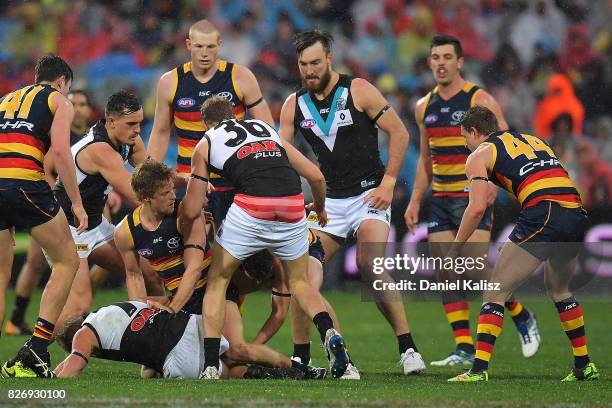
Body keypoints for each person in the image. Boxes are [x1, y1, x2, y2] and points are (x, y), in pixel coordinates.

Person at [278, 30, 425, 375]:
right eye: (303, 64)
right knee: (302, 275)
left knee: (369, 264)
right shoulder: (293, 105)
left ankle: (408, 349)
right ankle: (316, 357)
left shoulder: (357, 90)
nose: (310, 70)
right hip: (328, 204)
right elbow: (280, 154)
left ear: (329, 59)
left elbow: (400, 132)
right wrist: (296, 198)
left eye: (315, 62)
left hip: (369, 195)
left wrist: (389, 182)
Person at [183, 96, 351, 380]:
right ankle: (329, 331)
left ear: (205, 123)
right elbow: (316, 177)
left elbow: (190, 209)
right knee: (299, 282)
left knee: (218, 280)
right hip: (292, 204)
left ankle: (211, 365)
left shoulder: (206, 142)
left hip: (252, 207)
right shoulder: (265, 128)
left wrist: (189, 196)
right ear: (236, 115)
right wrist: (320, 209)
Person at [403, 34, 540, 366]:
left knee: (475, 270)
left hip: (472, 194)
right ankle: (463, 347)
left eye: (447, 56)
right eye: (435, 57)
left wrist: (495, 182)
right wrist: (415, 198)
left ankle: (521, 315)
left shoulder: (479, 99)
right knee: (445, 271)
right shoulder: (424, 107)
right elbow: (425, 159)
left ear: (460, 62)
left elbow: (505, 142)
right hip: (440, 197)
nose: (440, 63)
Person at [115, 160, 313, 375]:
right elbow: (134, 275)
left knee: (237, 351)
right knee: (151, 372)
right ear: (145, 198)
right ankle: (271, 374)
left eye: (172, 188)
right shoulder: (125, 232)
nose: (173, 195)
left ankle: (301, 369)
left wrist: (172, 310)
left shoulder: (185, 214)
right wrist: (138, 312)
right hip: (180, 297)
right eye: (165, 193)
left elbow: (194, 268)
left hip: (214, 291)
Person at [448, 105, 599, 382]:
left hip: (544, 211)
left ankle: (478, 371)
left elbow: (476, 207)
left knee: (495, 291)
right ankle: (584, 365)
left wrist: (456, 247)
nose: (465, 145)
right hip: (575, 212)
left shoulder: (479, 155)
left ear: (474, 131)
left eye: (464, 138)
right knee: (559, 289)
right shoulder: (533, 139)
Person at [0, 55, 88, 378]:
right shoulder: (58, 101)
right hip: (23, 183)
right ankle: (35, 351)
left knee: (0, 276)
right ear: (63, 82)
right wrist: (76, 204)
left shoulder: (6, 99)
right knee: (68, 261)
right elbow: (62, 153)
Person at [49, 90, 165, 333]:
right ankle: (30, 354)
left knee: (152, 275)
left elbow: (155, 174)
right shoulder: (99, 149)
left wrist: (187, 181)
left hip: (93, 224)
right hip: (67, 229)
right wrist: (177, 212)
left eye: (140, 123)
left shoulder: (129, 139)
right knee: (78, 308)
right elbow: (136, 195)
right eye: (131, 124)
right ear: (111, 122)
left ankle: (157, 338)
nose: (137, 130)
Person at [146, 19, 273, 224]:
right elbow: (160, 132)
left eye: (210, 46)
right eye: (198, 46)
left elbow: (267, 130)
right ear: (188, 45)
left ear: (219, 45)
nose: (204, 53)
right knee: (195, 248)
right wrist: (151, 177)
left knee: (247, 253)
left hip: (236, 182)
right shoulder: (170, 82)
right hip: (192, 183)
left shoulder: (240, 77)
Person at [4, 89, 93, 337]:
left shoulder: (88, 136)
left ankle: (76, 314)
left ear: (87, 109)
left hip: (65, 207)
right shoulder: (56, 127)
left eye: (82, 103)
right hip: (44, 201)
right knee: (39, 261)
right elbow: (50, 165)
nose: (77, 106)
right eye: (74, 101)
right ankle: (22, 324)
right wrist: (60, 195)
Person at [53, 301, 325, 380]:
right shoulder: (115, 307)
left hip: (175, 356)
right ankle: (301, 369)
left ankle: (269, 377)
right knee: (236, 351)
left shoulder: (84, 334)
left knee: (229, 371)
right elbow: (155, 306)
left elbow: (75, 366)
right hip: (189, 323)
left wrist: (51, 378)